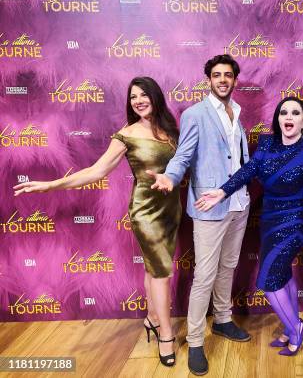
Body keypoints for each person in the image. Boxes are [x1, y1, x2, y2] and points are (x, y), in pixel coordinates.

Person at [14, 76, 181, 367]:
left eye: (143, 95)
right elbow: (95, 172)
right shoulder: (126, 135)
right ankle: (166, 334)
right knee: (163, 272)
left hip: (172, 209)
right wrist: (50, 185)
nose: (138, 101)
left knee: (155, 268)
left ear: (155, 97)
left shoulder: (169, 130)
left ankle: (152, 319)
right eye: (133, 97)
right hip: (147, 212)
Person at [198, 97, 303, 358]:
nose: (288, 117)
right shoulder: (266, 145)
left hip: (293, 225)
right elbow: (248, 171)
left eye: (295, 113)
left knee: (267, 282)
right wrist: (222, 192)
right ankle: (292, 330)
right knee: (283, 276)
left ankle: (296, 327)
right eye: (283, 112)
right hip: (268, 224)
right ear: (278, 119)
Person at [146, 55, 251, 376]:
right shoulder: (196, 114)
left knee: (228, 266)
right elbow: (183, 155)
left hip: (239, 204)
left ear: (235, 80)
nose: (223, 80)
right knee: (204, 275)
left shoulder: (238, 114)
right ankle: (194, 342)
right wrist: (170, 177)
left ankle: (222, 320)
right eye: (217, 75)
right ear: (208, 79)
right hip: (209, 206)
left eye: (228, 75)